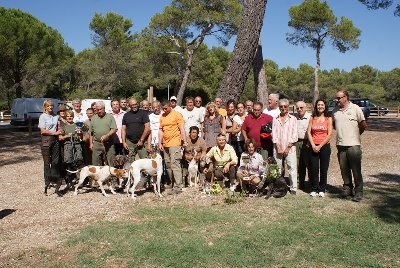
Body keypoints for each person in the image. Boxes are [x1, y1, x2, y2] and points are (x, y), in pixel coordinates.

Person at [332, 90, 366, 202]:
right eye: (336, 98)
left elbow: (363, 124)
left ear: (345, 97)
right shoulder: (335, 111)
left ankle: (359, 192)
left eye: (339, 98)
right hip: (340, 145)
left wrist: (355, 135)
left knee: (356, 170)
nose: (336, 100)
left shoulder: (355, 108)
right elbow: (334, 125)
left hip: (353, 145)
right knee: (344, 169)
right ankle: (347, 189)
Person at [159, 99, 188, 194]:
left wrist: (184, 141)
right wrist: (160, 143)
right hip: (165, 144)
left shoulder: (177, 115)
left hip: (175, 143)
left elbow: (182, 128)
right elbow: (161, 130)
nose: (164, 110)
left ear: (170, 106)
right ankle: (171, 183)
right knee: (168, 165)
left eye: (166, 108)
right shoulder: (162, 116)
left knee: (175, 164)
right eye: (163, 109)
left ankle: (178, 187)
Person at [307, 99, 333, 197]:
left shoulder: (328, 118)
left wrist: (320, 146)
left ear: (325, 106)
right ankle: (314, 188)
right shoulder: (312, 118)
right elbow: (309, 132)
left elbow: (329, 134)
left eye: (322, 105)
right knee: (313, 168)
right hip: (313, 146)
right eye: (318, 105)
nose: (320, 107)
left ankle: (322, 188)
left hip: (324, 146)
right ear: (316, 106)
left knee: (323, 168)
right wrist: (313, 145)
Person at [272, 99, 298, 195]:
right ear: (279, 107)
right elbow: (274, 134)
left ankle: (293, 188)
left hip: (290, 148)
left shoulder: (293, 119)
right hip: (277, 148)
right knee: (278, 169)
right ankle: (279, 187)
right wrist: (278, 147)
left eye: (285, 106)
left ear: (288, 107)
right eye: (281, 106)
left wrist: (288, 147)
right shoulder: (275, 119)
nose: (283, 108)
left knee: (292, 168)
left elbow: (294, 134)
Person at [38, 99, 63, 193]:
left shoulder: (55, 116)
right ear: (45, 107)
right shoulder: (43, 117)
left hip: (55, 139)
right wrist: (54, 132)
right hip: (46, 139)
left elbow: (60, 124)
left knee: (55, 161)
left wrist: (60, 131)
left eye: (51, 106)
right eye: (48, 106)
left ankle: (54, 178)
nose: (50, 107)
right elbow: (42, 130)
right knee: (47, 161)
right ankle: (47, 181)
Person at [89, 101, 117, 166]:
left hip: (108, 143)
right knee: (96, 162)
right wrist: (91, 143)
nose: (99, 111)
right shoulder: (94, 118)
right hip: (97, 143)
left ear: (104, 108)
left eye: (100, 109)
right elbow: (91, 132)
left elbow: (114, 129)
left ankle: (112, 175)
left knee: (111, 160)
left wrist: (107, 135)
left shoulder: (110, 117)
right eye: (97, 110)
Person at [295, 101, 311, 190]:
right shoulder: (294, 117)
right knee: (298, 163)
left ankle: (310, 182)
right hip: (297, 142)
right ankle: (299, 182)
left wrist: (309, 142)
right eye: (297, 108)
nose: (299, 109)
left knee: (308, 162)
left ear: (305, 108)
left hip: (307, 142)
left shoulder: (310, 117)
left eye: (301, 108)